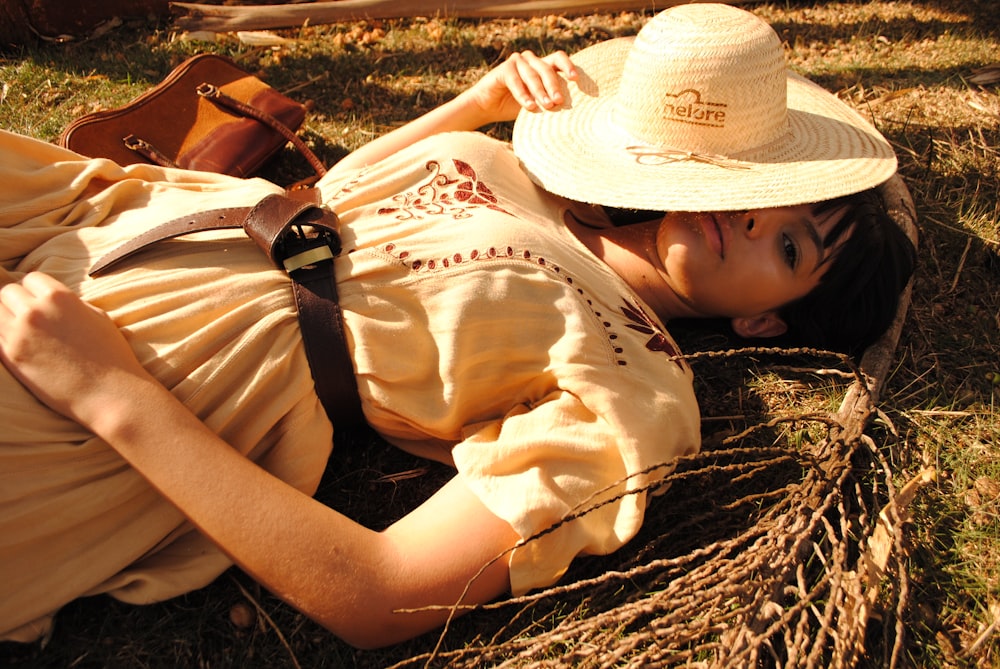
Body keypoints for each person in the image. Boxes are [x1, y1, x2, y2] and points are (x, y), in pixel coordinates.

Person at [0, 4, 914, 648]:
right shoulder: (520, 164)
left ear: (763, 320)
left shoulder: (640, 383)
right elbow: (335, 196)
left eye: (790, 247)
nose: (751, 222)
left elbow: (382, 592)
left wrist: (110, 394)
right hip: (104, 215)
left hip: (150, 373)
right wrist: (476, 106)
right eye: (768, 199)